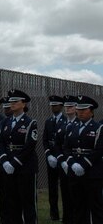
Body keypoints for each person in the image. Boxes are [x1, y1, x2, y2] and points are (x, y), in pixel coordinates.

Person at [0, 89, 38, 224]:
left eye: (16, 101)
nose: (12, 104)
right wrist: (4, 161)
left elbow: (29, 146)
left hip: (24, 167)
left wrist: (14, 163)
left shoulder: (30, 123)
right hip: (7, 165)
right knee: (11, 200)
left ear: (23, 104)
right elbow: (0, 143)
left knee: (27, 201)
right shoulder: (5, 122)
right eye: (11, 101)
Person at [61, 95, 103, 224]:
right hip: (74, 173)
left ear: (91, 111)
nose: (80, 112)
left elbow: (98, 150)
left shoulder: (98, 128)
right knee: (78, 205)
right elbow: (66, 148)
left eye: (83, 110)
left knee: (94, 207)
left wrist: (84, 165)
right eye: (78, 110)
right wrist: (72, 163)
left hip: (92, 173)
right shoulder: (71, 127)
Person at [54, 95, 78, 224]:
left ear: (76, 108)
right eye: (66, 106)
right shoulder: (61, 124)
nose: (68, 108)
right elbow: (57, 145)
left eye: (71, 106)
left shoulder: (79, 123)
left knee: (76, 195)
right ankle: (67, 219)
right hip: (63, 165)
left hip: (76, 164)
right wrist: (61, 160)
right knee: (65, 193)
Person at [43, 95, 66, 221]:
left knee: (65, 187)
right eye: (52, 105)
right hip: (51, 159)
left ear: (61, 106)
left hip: (62, 159)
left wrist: (61, 157)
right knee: (52, 188)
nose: (53, 107)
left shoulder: (65, 121)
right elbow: (45, 140)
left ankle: (66, 213)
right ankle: (54, 214)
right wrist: (48, 155)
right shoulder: (48, 121)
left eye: (56, 105)